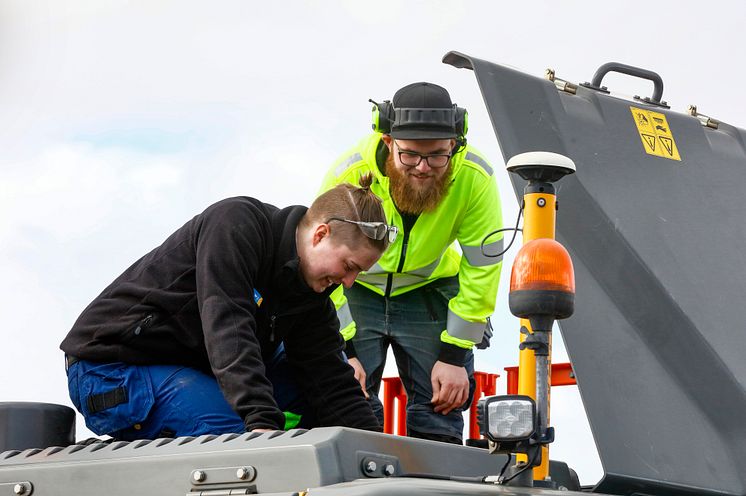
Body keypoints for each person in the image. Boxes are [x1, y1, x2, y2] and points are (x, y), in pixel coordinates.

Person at [60, 174, 397, 440]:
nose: (350, 282)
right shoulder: (237, 225)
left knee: (353, 411)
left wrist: (373, 452)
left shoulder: (309, 293)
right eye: (350, 266)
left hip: (198, 366)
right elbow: (228, 327)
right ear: (320, 234)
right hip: (112, 368)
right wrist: (262, 422)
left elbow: (329, 377)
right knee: (234, 438)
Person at [319, 82, 503, 444]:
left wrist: (455, 354)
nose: (423, 167)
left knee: (444, 404)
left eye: (437, 155)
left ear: (455, 143)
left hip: (428, 292)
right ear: (388, 141)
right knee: (345, 397)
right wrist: (345, 350)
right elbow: (323, 266)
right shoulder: (348, 174)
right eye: (410, 155)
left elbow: (483, 267)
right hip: (357, 289)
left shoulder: (475, 178)